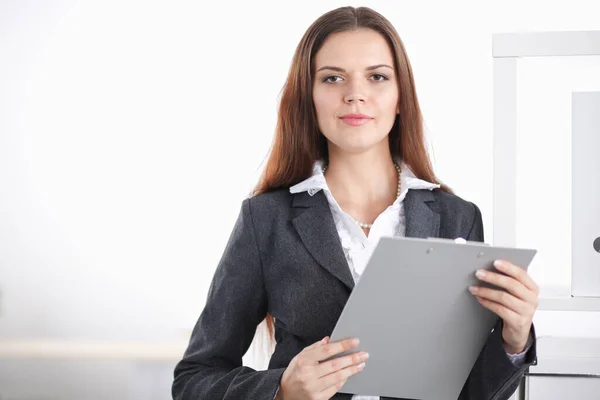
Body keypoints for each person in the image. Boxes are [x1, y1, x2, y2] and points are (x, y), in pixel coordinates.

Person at [172, 6, 538, 400]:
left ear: (400, 98)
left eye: (377, 76)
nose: (355, 94)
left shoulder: (457, 218)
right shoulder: (266, 220)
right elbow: (194, 379)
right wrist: (281, 390)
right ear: (308, 97)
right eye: (332, 78)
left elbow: (468, 393)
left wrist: (513, 340)